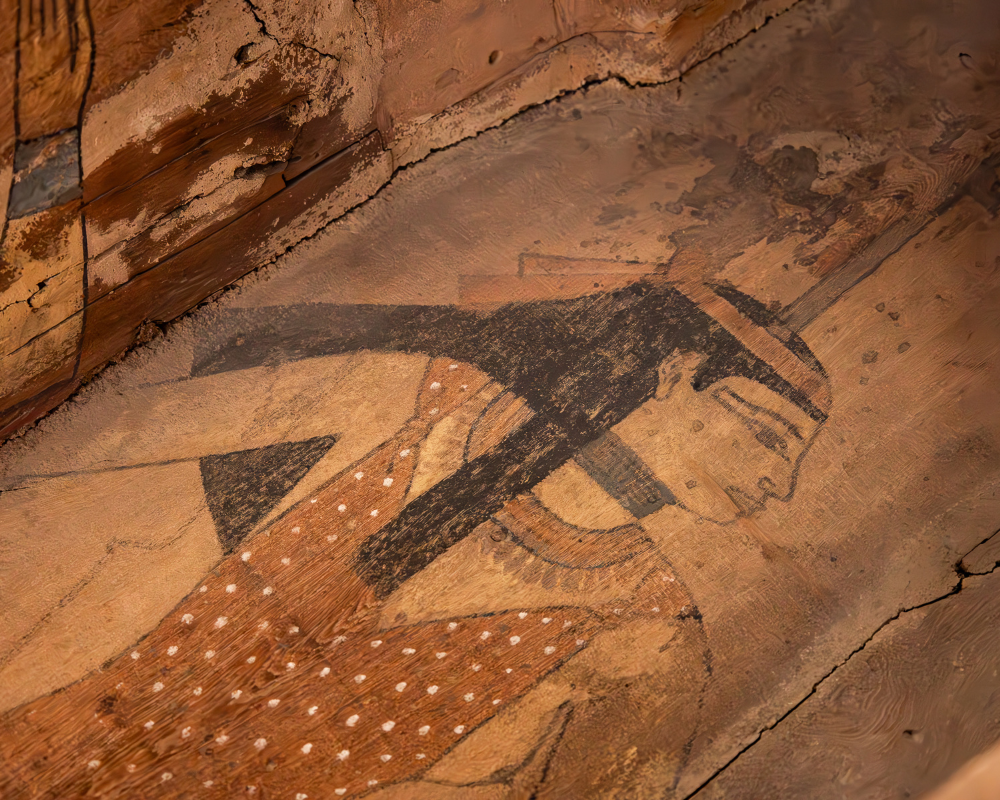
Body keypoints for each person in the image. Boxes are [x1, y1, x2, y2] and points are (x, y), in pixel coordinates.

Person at [0, 276, 830, 798]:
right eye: (763, 436)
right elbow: (127, 439)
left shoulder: (650, 639)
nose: (777, 485)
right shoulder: (431, 399)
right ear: (676, 373)